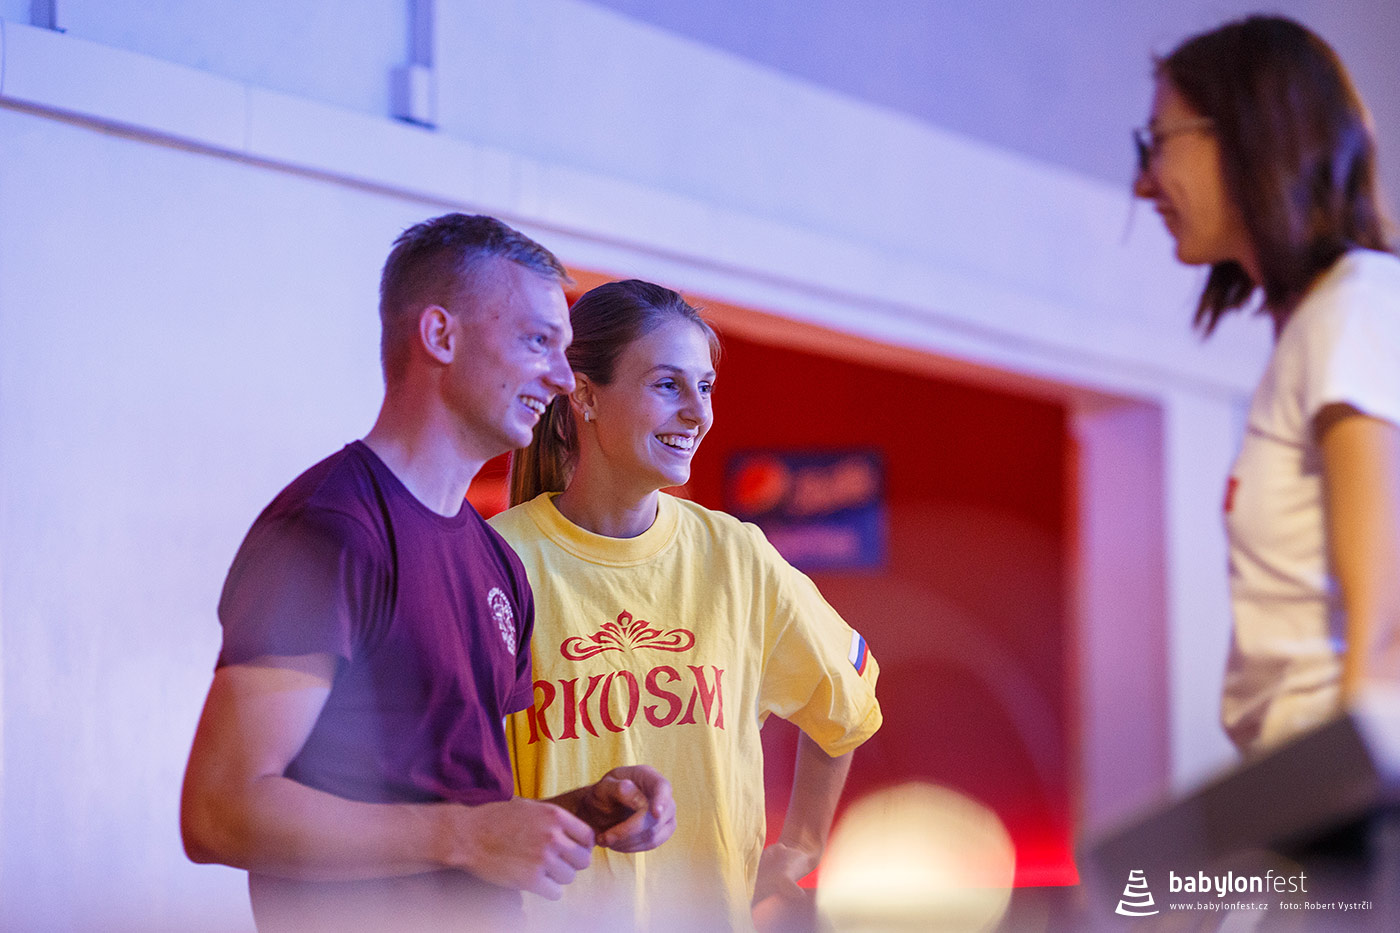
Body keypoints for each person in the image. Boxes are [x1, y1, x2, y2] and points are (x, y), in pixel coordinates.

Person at [180, 215, 676, 932]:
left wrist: (574, 815)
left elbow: (449, 811)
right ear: (440, 335)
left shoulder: (496, 562)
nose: (563, 377)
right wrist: (468, 835)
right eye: (537, 341)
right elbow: (219, 811)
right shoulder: (328, 530)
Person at [490, 279, 882, 931]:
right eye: (668, 385)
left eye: (705, 387)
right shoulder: (496, 560)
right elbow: (457, 802)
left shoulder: (736, 557)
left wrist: (801, 846)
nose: (698, 413)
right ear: (585, 395)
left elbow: (845, 705)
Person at [1133, 16, 1400, 754]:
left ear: (1246, 135)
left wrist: (1349, 802)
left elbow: (1385, 630)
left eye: (1158, 142)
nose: (1143, 182)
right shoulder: (1323, 322)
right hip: (1305, 774)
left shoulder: (1354, 307)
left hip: (1346, 782)